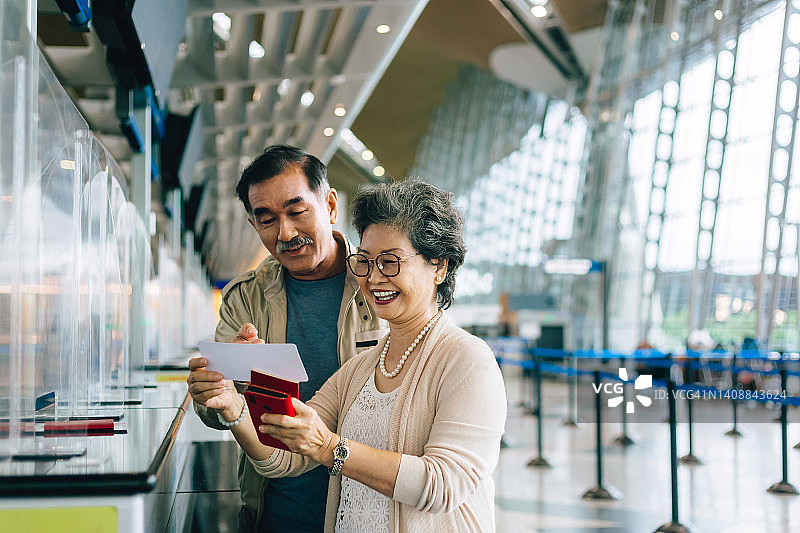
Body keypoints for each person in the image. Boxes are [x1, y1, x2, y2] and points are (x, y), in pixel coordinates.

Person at [200, 178, 507, 532]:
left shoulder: (467, 361)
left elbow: (442, 485)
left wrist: (330, 447)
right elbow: (286, 455)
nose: (374, 278)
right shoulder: (362, 368)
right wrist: (234, 408)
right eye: (365, 261)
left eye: (390, 262)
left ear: (439, 266)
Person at [187, 145, 387, 533]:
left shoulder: (379, 284)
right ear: (253, 224)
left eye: (297, 212)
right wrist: (218, 395)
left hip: (370, 510)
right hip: (275, 510)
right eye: (267, 220)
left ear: (330, 205)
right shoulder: (245, 297)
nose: (285, 233)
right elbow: (217, 411)